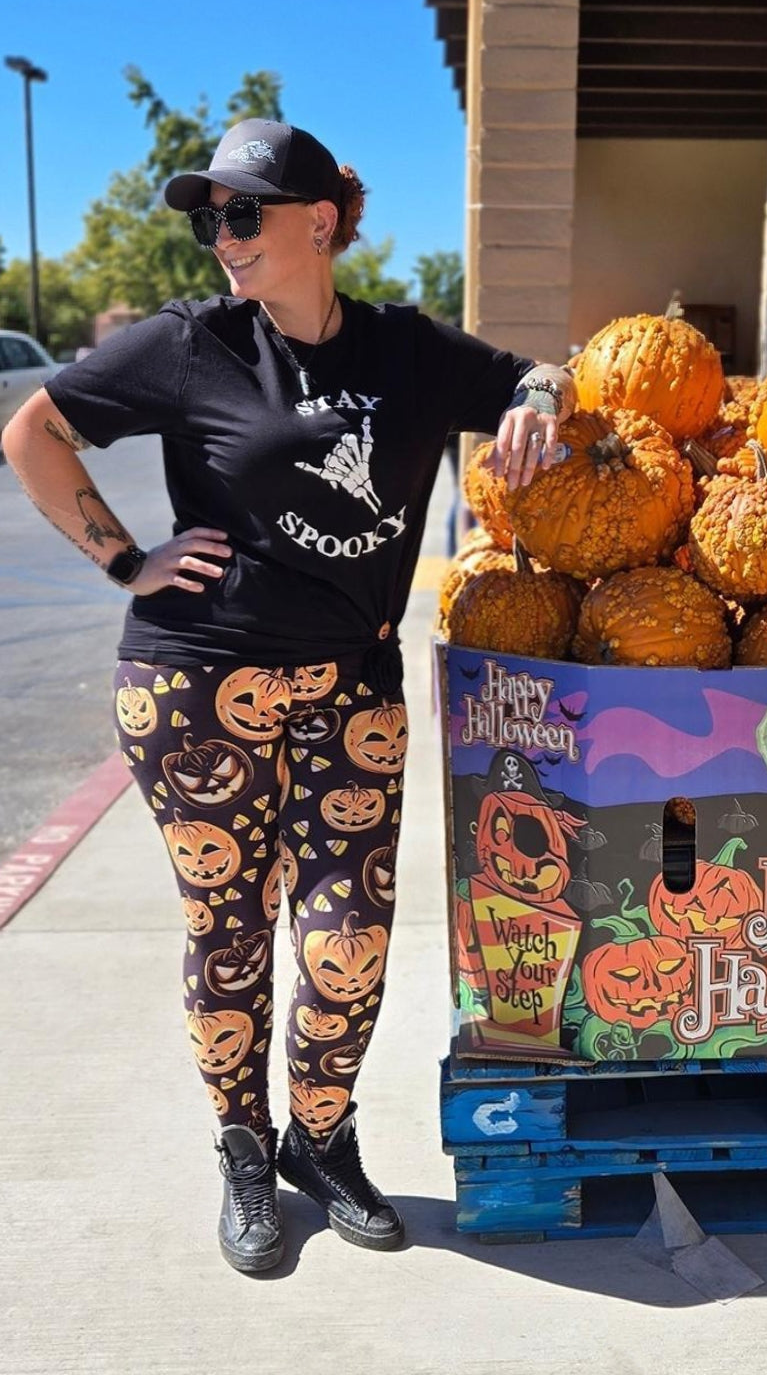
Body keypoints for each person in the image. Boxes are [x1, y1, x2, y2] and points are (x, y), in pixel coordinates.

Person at [1, 119, 573, 1273]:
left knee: (349, 931)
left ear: (320, 222)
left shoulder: (407, 351)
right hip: (194, 684)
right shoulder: (189, 343)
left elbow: (530, 373)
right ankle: (244, 1151)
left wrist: (543, 399)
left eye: (244, 213)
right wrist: (127, 560)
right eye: (210, 219)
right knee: (233, 930)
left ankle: (323, 1138)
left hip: (351, 681)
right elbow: (36, 430)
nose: (223, 238)